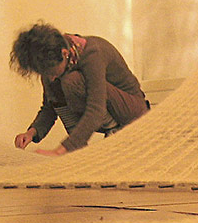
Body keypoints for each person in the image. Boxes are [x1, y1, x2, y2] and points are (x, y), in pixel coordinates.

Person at [9, 22, 149, 156]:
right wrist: (31, 133)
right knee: (58, 86)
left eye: (52, 72)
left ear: (65, 53)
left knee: (71, 81)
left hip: (131, 111)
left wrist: (60, 151)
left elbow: (96, 109)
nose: (50, 78)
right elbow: (49, 107)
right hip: (102, 112)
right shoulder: (51, 68)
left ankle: (113, 130)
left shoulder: (92, 53)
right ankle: (79, 150)